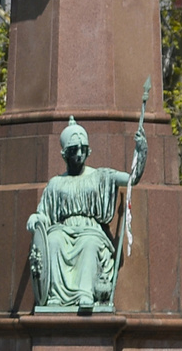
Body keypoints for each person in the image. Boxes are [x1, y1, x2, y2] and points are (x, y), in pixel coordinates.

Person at [29, 117, 146, 310]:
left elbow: (132, 179)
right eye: (74, 150)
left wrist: (141, 152)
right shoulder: (56, 183)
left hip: (90, 230)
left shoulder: (100, 176)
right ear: (64, 154)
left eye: (83, 149)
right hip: (63, 229)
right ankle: (56, 296)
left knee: (90, 243)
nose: (79, 155)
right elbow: (44, 214)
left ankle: (86, 293)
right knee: (53, 241)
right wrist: (36, 218)